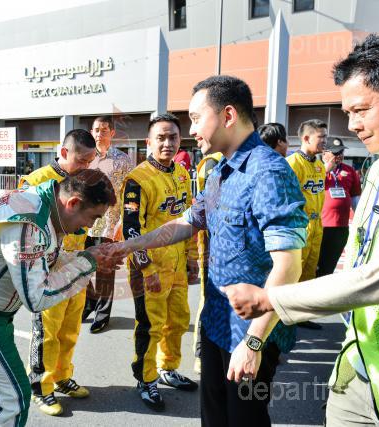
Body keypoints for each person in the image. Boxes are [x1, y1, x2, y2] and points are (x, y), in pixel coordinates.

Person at [222, 33, 379, 427]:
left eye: (361, 110)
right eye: (347, 112)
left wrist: (270, 299)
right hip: (358, 366)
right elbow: (357, 254)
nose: (352, 126)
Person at [113, 76, 308, 425]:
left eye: (195, 118)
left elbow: (288, 266)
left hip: (250, 333)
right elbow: (188, 221)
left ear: (228, 115)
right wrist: (130, 244)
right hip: (216, 322)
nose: (190, 131)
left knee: (245, 419)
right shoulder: (220, 172)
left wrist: (254, 343)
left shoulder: (268, 171)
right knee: (214, 417)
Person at [0, 169, 122, 427]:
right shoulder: (28, 224)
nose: (90, 227)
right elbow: (37, 297)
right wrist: (88, 262)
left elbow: (44, 262)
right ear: (73, 203)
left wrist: (86, 258)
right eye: (93, 217)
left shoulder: (44, 202)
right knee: (12, 397)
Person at [121, 113, 199, 411]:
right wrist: (147, 269)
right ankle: (146, 379)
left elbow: (189, 219)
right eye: (161, 138)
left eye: (173, 137)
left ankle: (167, 368)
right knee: (150, 325)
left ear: (181, 140)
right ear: (148, 142)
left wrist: (192, 258)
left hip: (177, 265)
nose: (167, 143)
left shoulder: (181, 173)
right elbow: (131, 231)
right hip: (149, 268)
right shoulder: (137, 180)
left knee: (177, 320)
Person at [20, 129, 97, 416]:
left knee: (70, 328)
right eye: (82, 160)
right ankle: (40, 386)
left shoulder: (85, 183)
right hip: (48, 269)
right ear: (64, 152)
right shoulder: (36, 181)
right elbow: (22, 227)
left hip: (76, 267)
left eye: (90, 161)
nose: (86, 166)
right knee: (47, 332)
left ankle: (62, 376)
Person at [82, 115, 134, 333]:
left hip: (110, 224)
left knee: (105, 270)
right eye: (96, 130)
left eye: (104, 130)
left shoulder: (123, 160)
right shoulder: (85, 157)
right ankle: (89, 304)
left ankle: (102, 314)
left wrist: (123, 221)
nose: (99, 134)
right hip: (84, 223)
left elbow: (130, 193)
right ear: (91, 132)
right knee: (83, 267)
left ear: (112, 133)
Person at [286, 119, 327, 329]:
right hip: (299, 225)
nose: (325, 141)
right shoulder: (292, 163)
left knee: (310, 271)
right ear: (306, 138)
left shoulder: (319, 165)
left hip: (317, 224)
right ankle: (285, 316)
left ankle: (302, 316)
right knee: (294, 271)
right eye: (321, 137)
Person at [192, 152, 222, 374]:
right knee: (209, 298)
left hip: (234, 247)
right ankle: (201, 354)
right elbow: (206, 207)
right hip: (212, 244)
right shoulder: (214, 161)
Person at [317, 137, 361, 276]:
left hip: (340, 227)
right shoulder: (315, 168)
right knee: (314, 265)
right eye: (335, 153)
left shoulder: (349, 171)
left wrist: (360, 219)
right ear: (324, 153)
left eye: (341, 152)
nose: (339, 156)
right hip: (319, 226)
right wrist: (325, 171)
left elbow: (355, 198)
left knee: (329, 266)